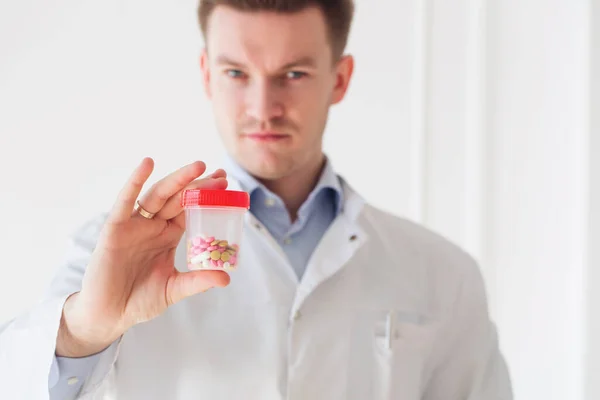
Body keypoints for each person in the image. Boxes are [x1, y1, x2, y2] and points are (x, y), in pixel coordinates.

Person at [0, 1, 513, 399]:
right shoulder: (110, 252)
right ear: (206, 74)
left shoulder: (443, 273)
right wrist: (86, 330)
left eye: (293, 74)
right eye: (236, 73)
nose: (263, 108)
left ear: (340, 78)